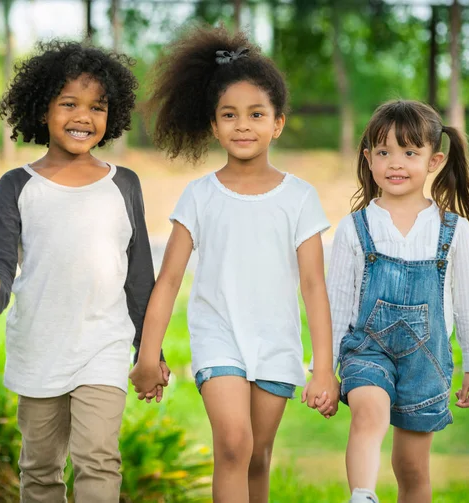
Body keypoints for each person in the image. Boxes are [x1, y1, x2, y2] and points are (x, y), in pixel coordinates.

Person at [129, 26, 339, 503]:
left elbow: (313, 286)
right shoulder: (199, 196)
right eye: (230, 115)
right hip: (217, 336)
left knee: (258, 455)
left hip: (275, 343)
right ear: (213, 126)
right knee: (233, 445)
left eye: (256, 114)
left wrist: (323, 367)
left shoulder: (300, 197)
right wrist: (147, 353)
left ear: (278, 124)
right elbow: (168, 281)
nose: (243, 125)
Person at [0, 41, 168, 502]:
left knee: (98, 459)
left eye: (97, 107)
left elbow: (139, 278)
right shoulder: (17, 185)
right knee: (39, 469)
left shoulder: (124, 184)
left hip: (103, 345)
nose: (84, 116)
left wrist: (148, 350)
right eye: (69, 103)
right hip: (40, 346)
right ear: (42, 109)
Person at [328, 100, 469, 503]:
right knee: (369, 413)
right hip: (367, 350)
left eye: (409, 153)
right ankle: (362, 495)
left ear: (433, 160)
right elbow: (338, 303)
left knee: (412, 469)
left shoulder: (454, 230)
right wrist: (324, 370)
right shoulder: (356, 228)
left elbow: (468, 301)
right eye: (383, 152)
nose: (395, 164)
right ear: (368, 158)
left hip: (427, 361)